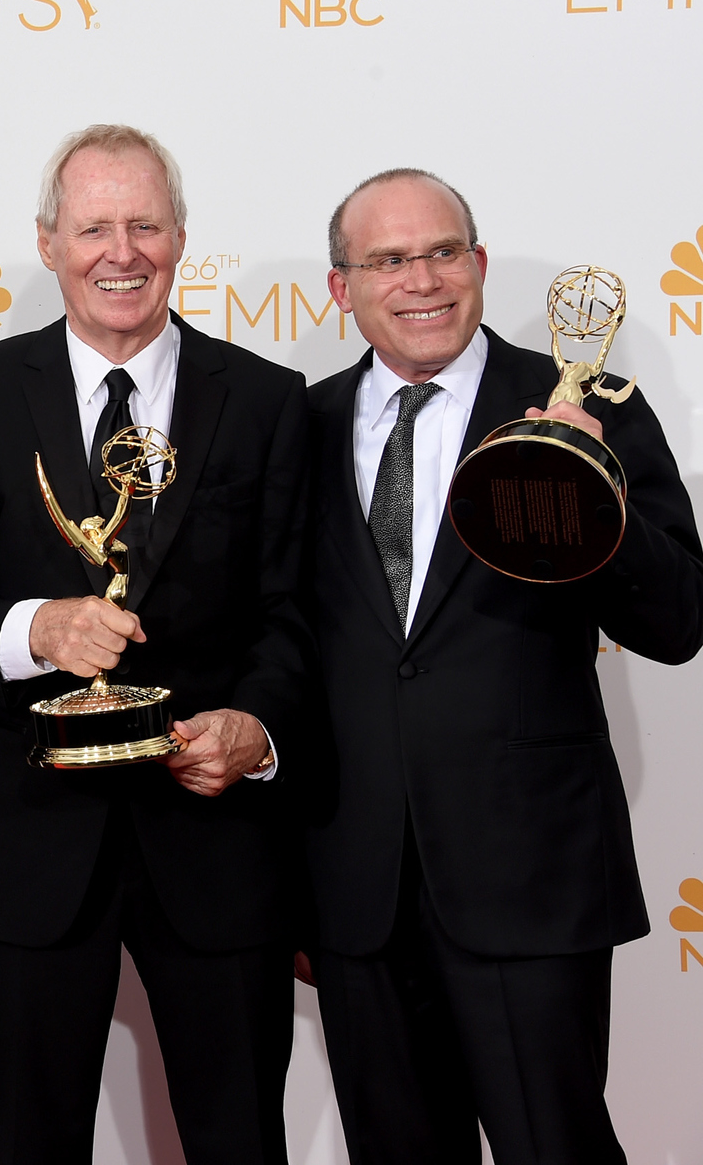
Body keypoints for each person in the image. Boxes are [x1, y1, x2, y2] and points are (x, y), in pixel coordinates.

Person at [0, 123, 312, 1165]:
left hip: (214, 836)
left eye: (143, 224)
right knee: (28, 1144)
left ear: (180, 237)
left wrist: (255, 723)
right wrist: (33, 628)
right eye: (93, 226)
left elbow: (295, 609)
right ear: (47, 242)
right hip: (24, 833)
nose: (118, 251)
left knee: (239, 1140)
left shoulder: (265, 401)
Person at [298, 168, 703, 1164]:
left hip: (527, 873)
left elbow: (678, 620)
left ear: (476, 266)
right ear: (338, 286)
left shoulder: (582, 399)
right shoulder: (295, 427)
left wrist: (587, 507)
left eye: (441, 252)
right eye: (386, 259)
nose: (419, 280)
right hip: (355, 880)